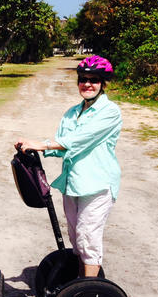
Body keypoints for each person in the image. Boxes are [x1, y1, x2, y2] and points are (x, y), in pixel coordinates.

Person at [15, 55, 122, 278]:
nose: (88, 84)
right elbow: (61, 145)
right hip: (73, 183)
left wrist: (42, 144)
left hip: (98, 184)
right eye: (83, 79)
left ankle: (88, 291)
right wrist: (33, 147)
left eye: (94, 80)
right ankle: (79, 282)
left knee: (88, 237)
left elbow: (78, 140)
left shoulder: (110, 112)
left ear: (103, 84)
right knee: (76, 239)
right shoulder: (72, 113)